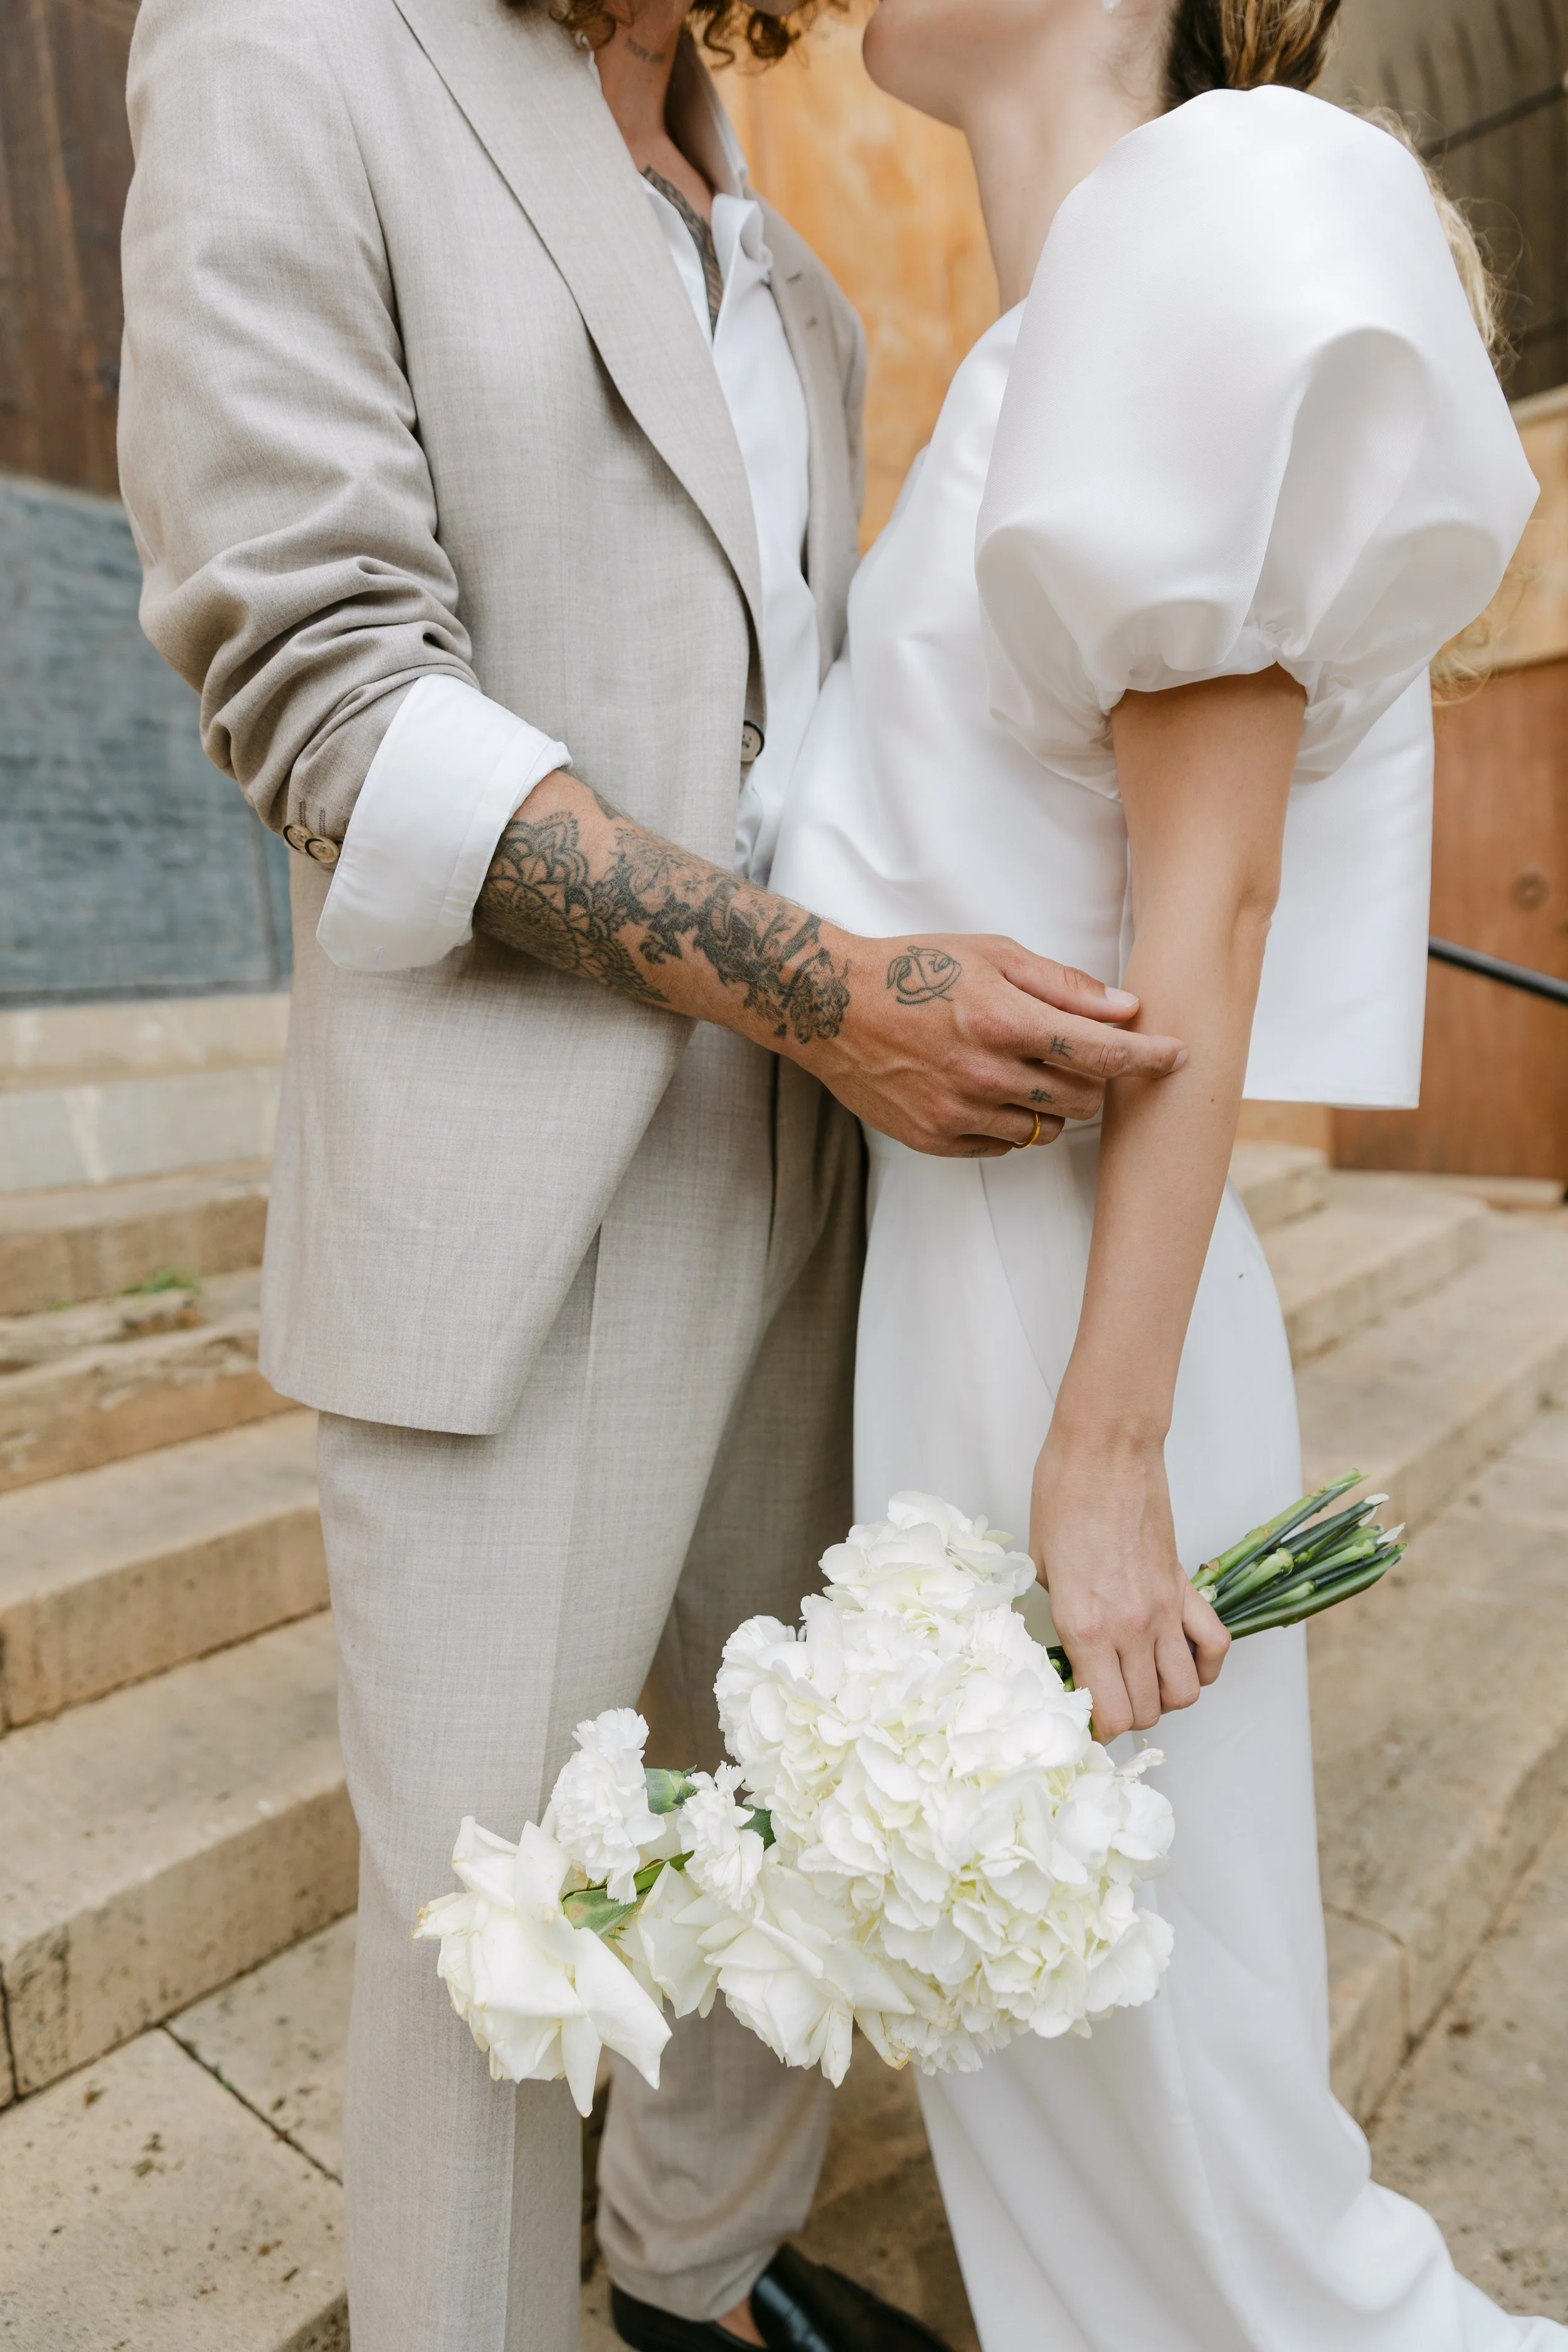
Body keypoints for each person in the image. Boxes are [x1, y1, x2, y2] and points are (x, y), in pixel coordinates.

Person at [115, 0, 1184, 2346]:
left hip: (832, 1184)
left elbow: (793, 730)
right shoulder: (281, 59)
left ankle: (696, 2278)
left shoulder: (785, 266)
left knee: (776, 1819)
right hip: (522, 1205)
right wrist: (820, 983)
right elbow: (324, 688)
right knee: (502, 1950)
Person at [769, 0, 1559, 2346]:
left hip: (1067, 1304)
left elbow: (1199, 904)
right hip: (982, 1282)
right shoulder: (1065, 309)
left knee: (1181, 2128)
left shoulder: (1197, 218)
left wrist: (1100, 1447)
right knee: (1081, 2083)